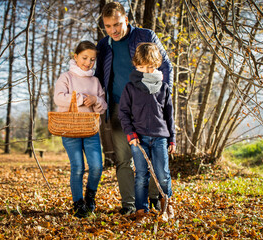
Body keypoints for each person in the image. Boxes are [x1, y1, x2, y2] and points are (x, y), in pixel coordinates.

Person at [95, 1, 173, 215]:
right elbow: (99, 77)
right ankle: (129, 206)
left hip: (147, 109)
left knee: (151, 159)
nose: (113, 30)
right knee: (123, 160)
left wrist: (162, 97)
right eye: (108, 26)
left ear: (126, 20)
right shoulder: (104, 45)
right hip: (119, 109)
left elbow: (165, 66)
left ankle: (154, 199)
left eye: (117, 24)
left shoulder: (145, 35)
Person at [118, 42, 176, 219]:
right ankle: (141, 210)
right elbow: (123, 113)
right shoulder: (130, 88)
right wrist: (131, 134)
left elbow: (169, 115)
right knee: (141, 176)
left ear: (157, 64)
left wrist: (172, 138)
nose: (147, 71)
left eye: (150, 67)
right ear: (136, 65)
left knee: (163, 174)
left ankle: (167, 206)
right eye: (142, 67)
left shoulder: (164, 88)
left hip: (160, 138)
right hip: (139, 138)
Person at [54, 41, 107, 218]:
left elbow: (103, 106)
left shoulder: (95, 81)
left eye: (92, 59)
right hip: (70, 130)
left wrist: (95, 101)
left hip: (91, 130)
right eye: (84, 58)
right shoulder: (66, 77)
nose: (88, 62)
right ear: (75, 57)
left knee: (97, 167)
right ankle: (78, 204)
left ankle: (90, 197)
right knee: (77, 167)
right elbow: (59, 98)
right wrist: (80, 98)